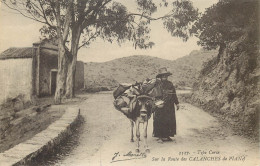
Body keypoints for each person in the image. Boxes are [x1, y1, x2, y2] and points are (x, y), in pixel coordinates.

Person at [153, 67, 179, 143]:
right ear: (160, 77)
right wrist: (157, 103)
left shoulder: (170, 84)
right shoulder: (157, 85)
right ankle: (160, 137)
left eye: (165, 76)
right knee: (160, 120)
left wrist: (177, 103)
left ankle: (167, 135)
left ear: (167, 76)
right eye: (163, 76)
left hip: (169, 106)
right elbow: (154, 95)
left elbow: (174, 95)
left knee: (169, 120)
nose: (164, 77)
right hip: (160, 106)